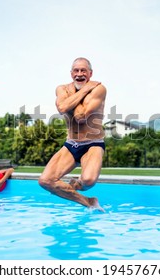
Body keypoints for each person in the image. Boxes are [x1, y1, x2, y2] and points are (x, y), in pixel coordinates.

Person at [38, 57, 107, 210]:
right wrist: (85, 90)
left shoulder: (99, 89)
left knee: (88, 180)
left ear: (90, 73)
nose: (79, 74)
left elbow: (81, 116)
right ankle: (89, 202)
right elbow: (62, 108)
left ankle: (75, 184)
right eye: (76, 70)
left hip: (93, 143)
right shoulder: (62, 88)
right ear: (71, 73)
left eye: (83, 70)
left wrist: (70, 98)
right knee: (45, 181)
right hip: (71, 143)